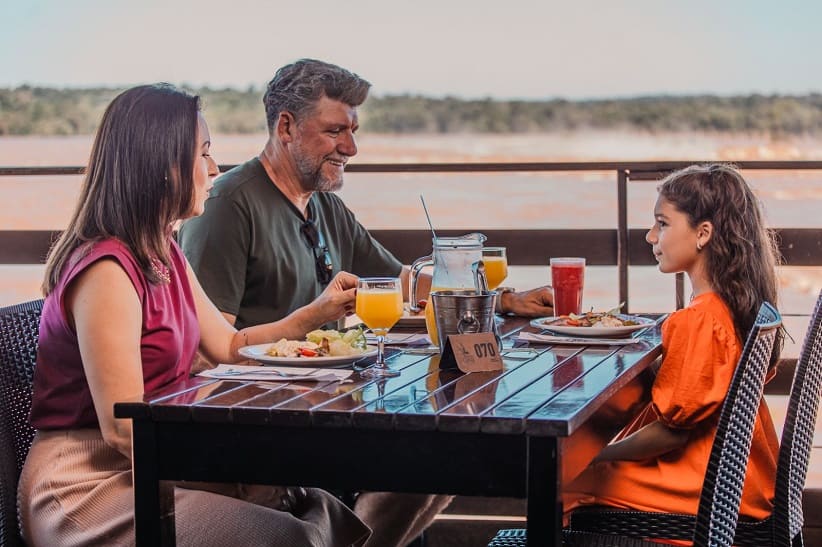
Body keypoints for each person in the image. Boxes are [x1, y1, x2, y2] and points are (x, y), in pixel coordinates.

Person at [18, 84, 371, 547]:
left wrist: (316, 312)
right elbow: (124, 427)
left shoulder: (163, 252)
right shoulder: (106, 268)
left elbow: (228, 347)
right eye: (203, 154)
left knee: (319, 507)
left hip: (150, 460)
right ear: (160, 166)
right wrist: (226, 471)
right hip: (88, 484)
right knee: (286, 533)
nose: (213, 169)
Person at [177, 58, 554, 333]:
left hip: (328, 392)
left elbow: (401, 282)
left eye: (353, 130)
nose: (351, 148)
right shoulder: (226, 205)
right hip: (262, 407)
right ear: (286, 127)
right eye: (335, 130)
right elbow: (209, 348)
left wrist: (503, 300)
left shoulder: (326, 204)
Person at [564, 163, 781, 529]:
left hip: (709, 491)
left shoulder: (700, 320)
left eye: (662, 224)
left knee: (565, 483)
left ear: (703, 234)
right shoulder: (727, 308)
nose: (651, 236)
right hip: (740, 478)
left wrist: (601, 455)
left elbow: (671, 431)